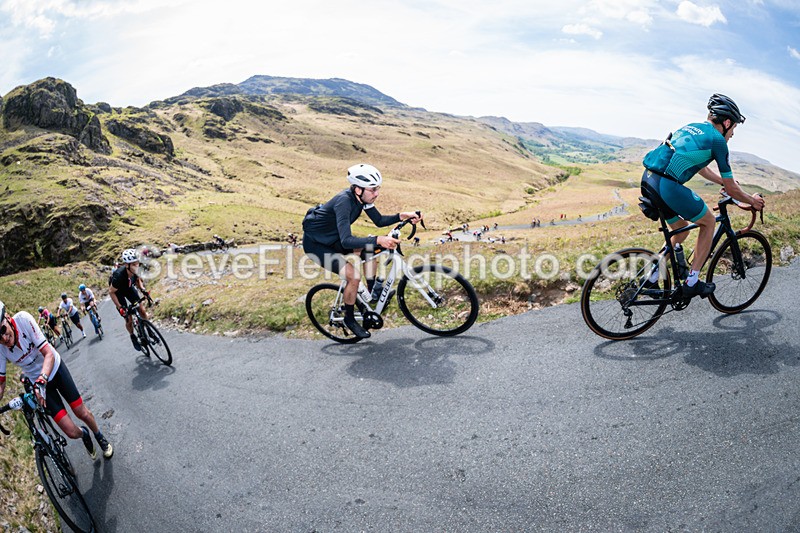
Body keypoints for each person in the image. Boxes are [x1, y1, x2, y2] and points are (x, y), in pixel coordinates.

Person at [641, 93, 765, 298]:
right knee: (708, 222)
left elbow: (701, 168)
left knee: (680, 230)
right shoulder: (718, 141)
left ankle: (651, 277)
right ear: (726, 122)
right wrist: (753, 201)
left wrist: (724, 183)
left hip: (649, 179)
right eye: (733, 127)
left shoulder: (692, 127)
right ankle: (692, 282)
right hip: (667, 186)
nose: (732, 133)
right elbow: (733, 191)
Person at [302, 163, 421, 338]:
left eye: (377, 188)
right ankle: (350, 319)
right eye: (372, 190)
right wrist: (379, 239)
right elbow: (347, 240)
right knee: (354, 276)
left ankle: (373, 293)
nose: (376, 193)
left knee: (371, 249)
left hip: (332, 239)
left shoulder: (363, 199)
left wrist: (402, 216)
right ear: (358, 190)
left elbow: (379, 220)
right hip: (317, 246)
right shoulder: (344, 202)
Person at [0, 301, 113, 458]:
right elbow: (1, 383)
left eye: (3, 329)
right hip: (41, 385)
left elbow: (49, 353)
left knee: (82, 413)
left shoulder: (23, 320)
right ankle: (85, 434)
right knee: (71, 432)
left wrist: (42, 379)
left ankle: (99, 435)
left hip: (55, 370)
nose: (4, 338)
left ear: (7, 317)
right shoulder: (1, 348)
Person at [109, 248, 151, 352]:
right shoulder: (118, 276)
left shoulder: (135, 270)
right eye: (133, 264)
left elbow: (138, 280)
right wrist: (120, 307)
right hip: (118, 292)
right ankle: (132, 336)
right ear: (127, 265)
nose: (136, 266)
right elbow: (111, 292)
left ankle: (149, 329)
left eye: (137, 263)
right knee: (128, 319)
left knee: (142, 310)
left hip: (129, 288)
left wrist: (143, 290)